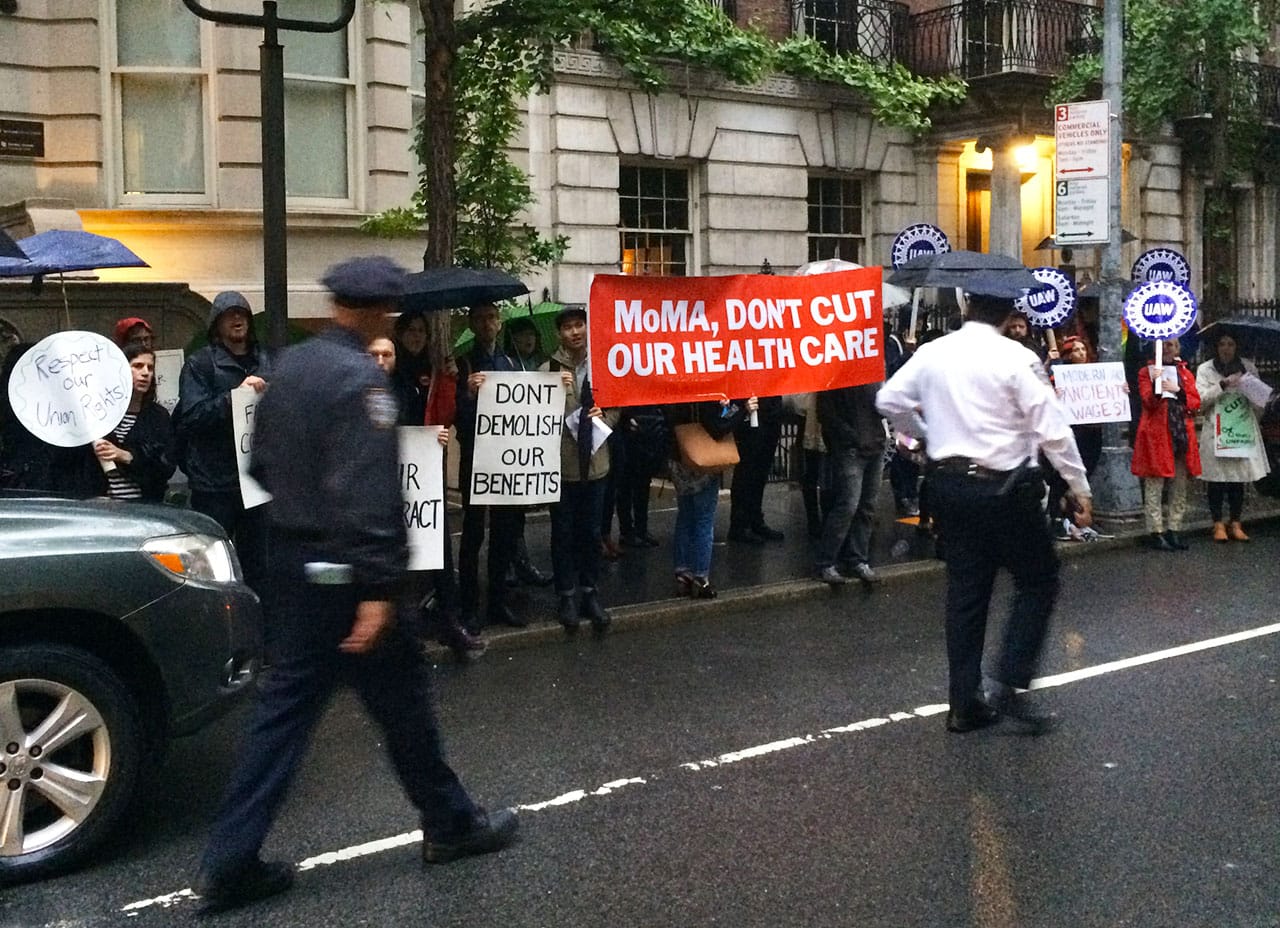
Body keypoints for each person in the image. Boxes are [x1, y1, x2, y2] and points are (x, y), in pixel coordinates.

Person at [193, 256, 517, 916]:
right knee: (405, 705)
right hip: (348, 577)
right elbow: (368, 490)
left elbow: (261, 464)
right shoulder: (360, 380)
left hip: (291, 562)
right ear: (375, 311)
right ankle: (451, 824)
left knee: (281, 717)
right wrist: (376, 587)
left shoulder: (289, 369)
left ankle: (228, 860)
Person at [877, 291, 1093, 736]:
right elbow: (1052, 427)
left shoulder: (934, 352)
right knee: (1038, 579)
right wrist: (1078, 485)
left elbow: (889, 400)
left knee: (966, 591)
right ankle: (1010, 679)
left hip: (949, 486)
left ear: (966, 308)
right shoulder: (1016, 358)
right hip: (1005, 488)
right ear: (1007, 314)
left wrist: (925, 434)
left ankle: (963, 704)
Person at [368, 336, 485, 661]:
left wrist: (437, 434)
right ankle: (403, 631)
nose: (380, 361)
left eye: (386, 354)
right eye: (374, 355)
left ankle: (449, 620)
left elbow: (432, 418)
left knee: (438, 549)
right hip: (379, 492)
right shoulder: (356, 392)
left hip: (418, 482)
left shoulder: (409, 385)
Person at [172, 290, 270, 590]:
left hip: (257, 483)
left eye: (242, 313)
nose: (237, 319)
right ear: (217, 324)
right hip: (215, 484)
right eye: (229, 314)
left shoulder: (265, 360)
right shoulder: (200, 364)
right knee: (211, 564)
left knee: (259, 566)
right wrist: (235, 397)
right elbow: (191, 417)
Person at [542, 305, 620, 631]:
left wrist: (605, 418)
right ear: (559, 334)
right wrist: (552, 391)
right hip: (562, 466)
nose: (575, 332)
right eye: (568, 327)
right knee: (562, 534)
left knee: (591, 533)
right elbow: (535, 414)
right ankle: (566, 595)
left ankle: (590, 592)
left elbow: (617, 404)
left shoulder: (603, 364)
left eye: (579, 325)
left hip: (596, 464)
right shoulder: (548, 369)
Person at [454, 303, 526, 630]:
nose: (486, 324)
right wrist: (468, 394)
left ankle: (497, 601)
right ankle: (469, 605)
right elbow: (455, 416)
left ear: (499, 323)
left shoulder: (511, 362)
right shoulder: (462, 364)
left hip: (506, 461)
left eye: (492, 318)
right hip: (475, 459)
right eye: (480, 319)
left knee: (504, 532)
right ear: (472, 324)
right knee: (472, 533)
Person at [664, 397, 755, 599]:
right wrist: (741, 408)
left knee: (685, 516)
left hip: (680, 456)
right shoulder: (704, 393)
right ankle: (700, 576)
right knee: (704, 520)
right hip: (702, 461)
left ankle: (682, 572)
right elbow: (718, 426)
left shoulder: (675, 394)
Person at [1195, 332, 1269, 541]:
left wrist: (1246, 386)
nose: (1226, 348)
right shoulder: (1205, 369)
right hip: (1217, 430)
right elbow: (1200, 401)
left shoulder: (1248, 368)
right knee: (1217, 478)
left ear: (1237, 347)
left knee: (1238, 478)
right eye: (1222, 344)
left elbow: (1260, 401)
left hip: (1240, 429)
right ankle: (1217, 523)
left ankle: (1236, 522)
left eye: (1230, 344)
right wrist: (1222, 385)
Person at [814, 378, 887, 586]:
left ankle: (854, 559)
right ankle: (830, 561)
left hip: (868, 444)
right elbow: (826, 413)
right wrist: (849, 438)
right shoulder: (838, 376)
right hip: (856, 446)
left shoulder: (870, 374)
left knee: (865, 505)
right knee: (849, 505)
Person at [1131, 337, 1201, 551]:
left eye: (1171, 344)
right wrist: (1157, 385)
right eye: (1163, 344)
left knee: (1179, 485)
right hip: (1157, 435)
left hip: (1180, 433)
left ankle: (1174, 529)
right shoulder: (1146, 372)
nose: (1167, 348)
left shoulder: (1185, 373)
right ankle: (1156, 531)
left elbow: (1194, 402)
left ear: (1178, 348)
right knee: (1155, 484)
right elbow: (1148, 402)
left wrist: (1178, 390)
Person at [92, 340, 176, 501]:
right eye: (138, 366)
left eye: (150, 368)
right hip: (101, 505)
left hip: (142, 505)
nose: (145, 373)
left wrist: (126, 456)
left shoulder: (158, 416)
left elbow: (166, 465)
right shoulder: (98, 413)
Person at [1046, 334, 1106, 541]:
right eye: (1076, 350)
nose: (1081, 353)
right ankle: (1057, 516)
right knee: (1064, 477)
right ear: (1068, 355)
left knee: (1088, 469)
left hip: (1093, 429)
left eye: (1083, 349)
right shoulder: (1060, 375)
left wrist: (1120, 390)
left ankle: (1078, 517)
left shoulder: (1096, 373)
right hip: (1074, 430)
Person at [727, 394, 785, 544]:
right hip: (750, 415)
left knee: (761, 472)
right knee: (746, 472)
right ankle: (740, 524)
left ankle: (755, 519)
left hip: (770, 414)